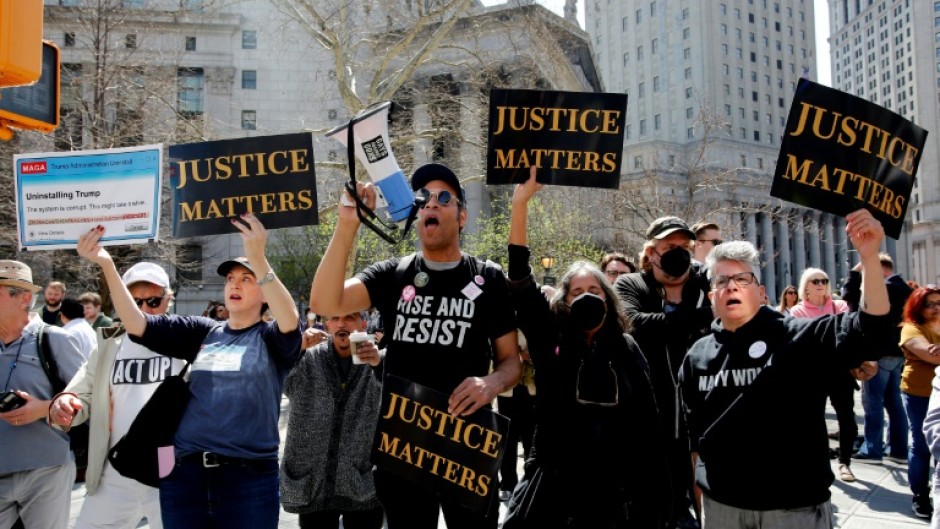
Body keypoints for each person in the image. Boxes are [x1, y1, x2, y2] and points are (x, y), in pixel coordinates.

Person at [309, 163, 521, 529]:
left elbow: (511, 363)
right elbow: (325, 304)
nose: (431, 205)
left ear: (462, 216)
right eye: (423, 199)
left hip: (467, 446)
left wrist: (491, 384)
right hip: (404, 445)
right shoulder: (392, 273)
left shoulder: (488, 278)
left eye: (444, 198)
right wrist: (347, 225)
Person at [76, 214, 302, 529]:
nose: (234, 284)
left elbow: (290, 319)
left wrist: (259, 260)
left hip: (248, 478)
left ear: (264, 293)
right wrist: (107, 266)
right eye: (229, 279)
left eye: (246, 279)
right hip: (184, 475)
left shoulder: (271, 338)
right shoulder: (203, 331)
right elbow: (137, 324)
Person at [678, 209, 895, 528]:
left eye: (742, 278)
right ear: (712, 297)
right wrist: (702, 507)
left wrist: (870, 258)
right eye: (722, 281)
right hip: (721, 507)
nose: (732, 287)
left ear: (760, 291)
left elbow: (871, 329)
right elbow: (694, 440)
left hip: (793, 509)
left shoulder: (801, 337)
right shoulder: (697, 356)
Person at [501, 170, 671, 528]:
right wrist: (520, 204)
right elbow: (519, 280)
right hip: (554, 494)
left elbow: (649, 431)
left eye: (594, 292)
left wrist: (657, 504)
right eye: (576, 293)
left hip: (613, 496)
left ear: (608, 301)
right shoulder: (551, 342)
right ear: (563, 303)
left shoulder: (626, 349)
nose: (586, 299)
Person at [49, 263, 187, 529]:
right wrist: (65, 404)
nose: (144, 309)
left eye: (154, 301)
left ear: (169, 300)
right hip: (114, 469)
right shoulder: (109, 342)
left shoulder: (185, 338)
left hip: (170, 468)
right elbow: (80, 391)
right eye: (134, 302)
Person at [615, 215, 712, 528]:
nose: (679, 252)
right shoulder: (631, 284)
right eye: (670, 246)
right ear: (650, 253)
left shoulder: (706, 281)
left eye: (685, 246)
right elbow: (634, 325)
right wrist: (700, 316)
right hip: (651, 421)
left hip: (704, 417)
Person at [0, 260, 85, 529]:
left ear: (24, 298)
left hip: (46, 470)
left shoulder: (53, 339)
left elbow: (89, 398)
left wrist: (43, 408)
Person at [280, 311, 384, 529]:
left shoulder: (376, 361)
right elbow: (280, 382)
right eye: (335, 318)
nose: (341, 323)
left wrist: (378, 365)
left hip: (363, 483)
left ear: (363, 324)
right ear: (327, 324)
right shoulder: (308, 358)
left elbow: (397, 394)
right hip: (313, 484)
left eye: (350, 317)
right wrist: (296, 349)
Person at [842, 254, 912, 465]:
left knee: (873, 403)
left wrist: (855, 273)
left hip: (878, 353)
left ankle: (872, 449)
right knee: (894, 402)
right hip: (898, 353)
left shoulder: (885, 288)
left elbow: (852, 300)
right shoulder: (906, 290)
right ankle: (898, 449)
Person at [790, 268, 858, 482]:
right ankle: (818, 462)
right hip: (813, 373)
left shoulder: (840, 306)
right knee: (813, 419)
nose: (820, 284)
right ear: (806, 287)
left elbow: (848, 337)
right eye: (814, 280)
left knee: (847, 419)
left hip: (840, 371)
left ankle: (844, 461)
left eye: (824, 280)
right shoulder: (798, 311)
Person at [898, 286, 940, 518]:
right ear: (918, 306)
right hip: (920, 393)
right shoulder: (911, 329)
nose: (935, 308)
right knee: (922, 444)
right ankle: (920, 496)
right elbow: (930, 355)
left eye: (939, 303)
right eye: (929, 304)